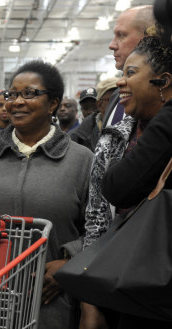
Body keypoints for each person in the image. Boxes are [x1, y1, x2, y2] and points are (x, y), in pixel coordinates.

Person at [0, 60, 93, 329]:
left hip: (52, 305)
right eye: (12, 94)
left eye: (29, 93)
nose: (16, 101)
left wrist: (69, 261)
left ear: (52, 104)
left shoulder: (82, 161)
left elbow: (100, 230)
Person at [81, 33, 172, 329]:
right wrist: (89, 298)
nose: (121, 81)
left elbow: (118, 188)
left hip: (157, 281)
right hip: (116, 280)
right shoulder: (113, 136)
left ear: (163, 81)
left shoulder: (162, 130)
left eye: (131, 74)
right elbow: (96, 217)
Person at [103, 5, 155, 127]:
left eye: (121, 35)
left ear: (149, 37)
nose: (112, 45)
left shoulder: (162, 99)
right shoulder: (117, 95)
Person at [70, 78, 118, 152]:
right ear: (99, 105)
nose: (120, 102)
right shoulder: (77, 136)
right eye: (112, 99)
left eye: (122, 97)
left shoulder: (134, 127)